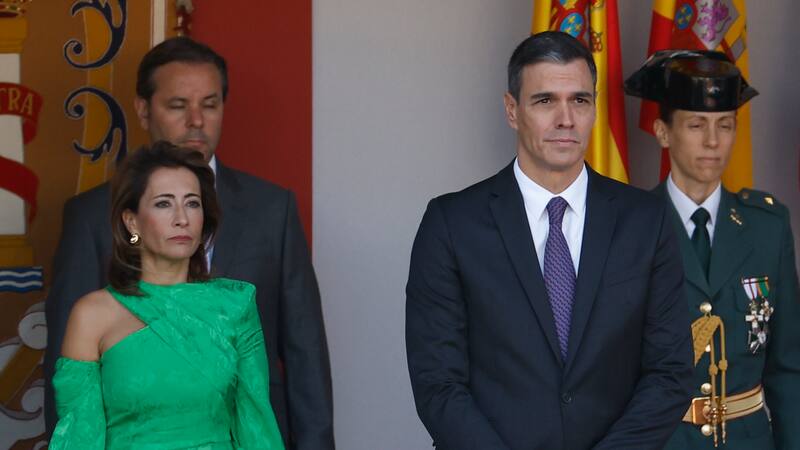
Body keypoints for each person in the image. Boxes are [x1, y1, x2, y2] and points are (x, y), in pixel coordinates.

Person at [405, 31, 694, 450]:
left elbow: (670, 373)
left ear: (595, 109)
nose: (566, 119)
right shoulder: (451, 224)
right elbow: (438, 384)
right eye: (545, 101)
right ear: (512, 110)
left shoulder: (645, 221)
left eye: (580, 100)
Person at [44, 37, 334, 450]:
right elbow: (69, 392)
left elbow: (305, 352)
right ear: (143, 109)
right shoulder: (89, 215)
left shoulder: (273, 208)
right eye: (178, 105)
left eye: (210, 104)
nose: (196, 120)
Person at [49, 141, 284, 448]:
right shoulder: (92, 315)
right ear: (131, 220)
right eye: (163, 203)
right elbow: (78, 438)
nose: (181, 218)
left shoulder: (234, 306)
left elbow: (257, 430)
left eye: (192, 203)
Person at [625, 50, 800, 449]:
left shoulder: (767, 228)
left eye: (725, 125)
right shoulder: (629, 228)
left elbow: (788, 367)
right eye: (696, 124)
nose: (712, 141)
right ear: (662, 132)